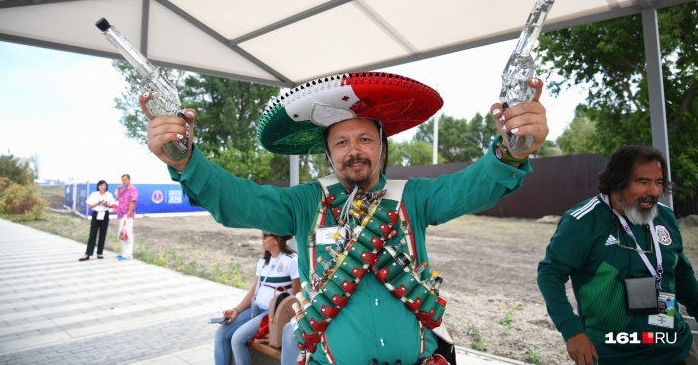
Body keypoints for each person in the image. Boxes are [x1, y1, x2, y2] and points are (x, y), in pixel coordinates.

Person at [141, 71, 549, 364]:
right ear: (329, 154)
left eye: (365, 138)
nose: (354, 150)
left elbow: (473, 185)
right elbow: (239, 200)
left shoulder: (415, 198)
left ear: (383, 149)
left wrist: (511, 150)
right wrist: (187, 160)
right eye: (341, 141)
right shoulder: (305, 203)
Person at [537, 145, 698, 365]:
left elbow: (682, 274)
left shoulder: (665, 218)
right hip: (612, 353)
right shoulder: (582, 221)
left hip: (675, 348)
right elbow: (550, 274)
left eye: (658, 182)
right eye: (643, 182)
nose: (654, 191)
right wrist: (571, 331)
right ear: (617, 182)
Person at [215, 231, 301, 365]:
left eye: (265, 235)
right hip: (255, 309)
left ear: (277, 239)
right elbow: (252, 292)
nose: (262, 239)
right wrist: (236, 310)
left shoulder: (291, 260)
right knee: (221, 334)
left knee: (237, 339)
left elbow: (297, 294)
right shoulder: (263, 260)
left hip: (271, 314)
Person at [79, 180, 116, 261]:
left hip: (104, 214)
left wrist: (106, 205)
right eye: (101, 185)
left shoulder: (109, 195)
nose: (103, 187)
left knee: (102, 234)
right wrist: (98, 202)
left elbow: (112, 206)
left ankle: (100, 252)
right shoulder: (94, 194)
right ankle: (88, 253)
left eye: (104, 185)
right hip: (96, 213)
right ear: (98, 186)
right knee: (92, 234)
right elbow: (90, 206)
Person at [114, 173, 138, 260]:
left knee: (128, 234)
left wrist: (128, 215)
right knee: (122, 234)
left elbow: (133, 202)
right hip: (121, 214)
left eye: (125, 180)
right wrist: (119, 190)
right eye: (122, 180)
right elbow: (117, 198)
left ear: (129, 179)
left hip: (127, 215)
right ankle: (124, 252)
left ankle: (128, 254)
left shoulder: (133, 189)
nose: (123, 182)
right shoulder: (123, 190)